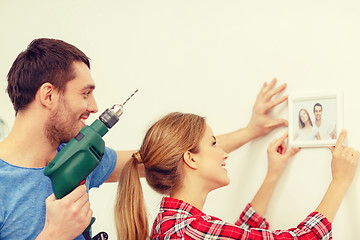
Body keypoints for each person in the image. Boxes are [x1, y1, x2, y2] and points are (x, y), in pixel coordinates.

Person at [0, 38, 289, 239]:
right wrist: (53, 236)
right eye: (85, 93)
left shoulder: (76, 158)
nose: (94, 107)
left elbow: (172, 154)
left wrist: (251, 131)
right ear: (48, 95)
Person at [115, 112, 359, 240]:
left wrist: (273, 174)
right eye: (213, 143)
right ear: (190, 158)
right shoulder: (190, 230)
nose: (223, 153)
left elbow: (238, 232)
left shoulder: (171, 222)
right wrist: (340, 180)